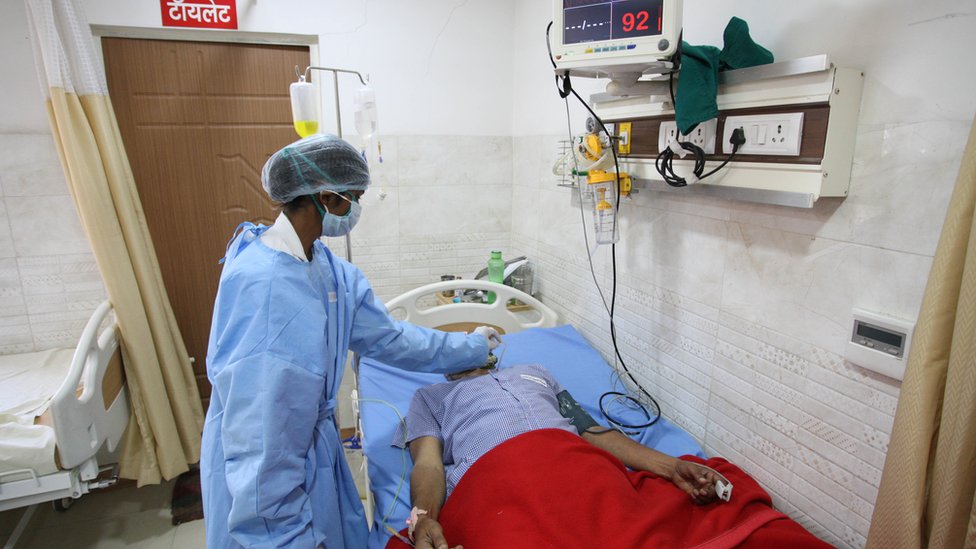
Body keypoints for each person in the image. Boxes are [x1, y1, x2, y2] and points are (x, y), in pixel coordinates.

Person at [201, 134, 502, 549]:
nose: (356, 209)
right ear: (328, 198)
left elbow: (391, 338)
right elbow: (261, 440)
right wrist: (285, 536)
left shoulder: (324, 267)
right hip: (267, 476)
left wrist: (470, 346)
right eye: (354, 198)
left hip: (309, 452)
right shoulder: (265, 288)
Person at [395, 362, 724, 549]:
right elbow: (427, 463)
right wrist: (424, 517)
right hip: (499, 474)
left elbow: (591, 431)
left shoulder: (535, 372)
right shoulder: (430, 397)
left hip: (574, 462)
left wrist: (672, 467)